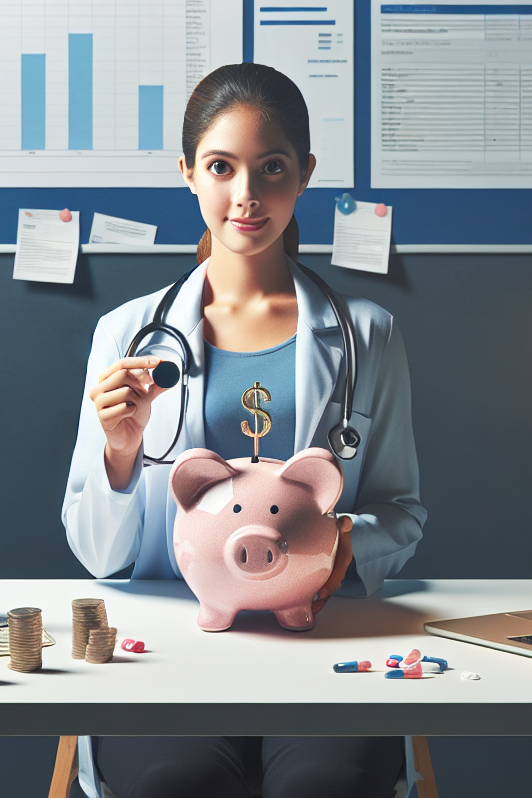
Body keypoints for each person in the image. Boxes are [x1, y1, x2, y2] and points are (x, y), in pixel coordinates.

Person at [62, 63, 427, 798]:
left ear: (305, 175)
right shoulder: (129, 335)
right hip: (175, 641)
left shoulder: (367, 336)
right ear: (189, 174)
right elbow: (99, 554)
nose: (247, 195)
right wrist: (122, 451)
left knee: (325, 786)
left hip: (319, 640)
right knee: (177, 781)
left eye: (272, 168)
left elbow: (402, 512)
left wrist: (339, 542)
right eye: (222, 167)